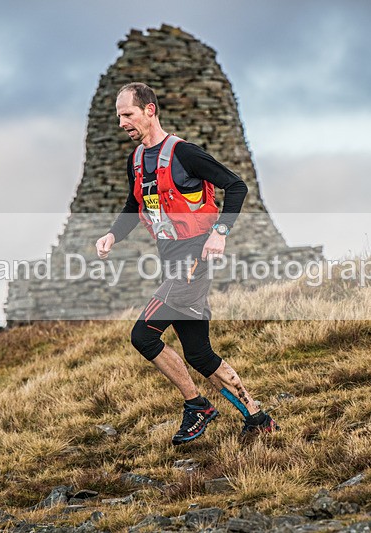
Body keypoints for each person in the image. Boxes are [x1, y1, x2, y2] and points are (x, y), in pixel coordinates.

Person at [95, 82, 278, 445]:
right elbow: (134, 205)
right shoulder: (136, 161)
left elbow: (236, 186)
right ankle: (257, 418)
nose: (122, 123)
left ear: (149, 110)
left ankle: (197, 406)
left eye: (127, 114)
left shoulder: (184, 153)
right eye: (118, 116)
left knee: (143, 335)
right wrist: (113, 235)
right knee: (198, 352)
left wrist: (220, 232)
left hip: (194, 260)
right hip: (170, 260)